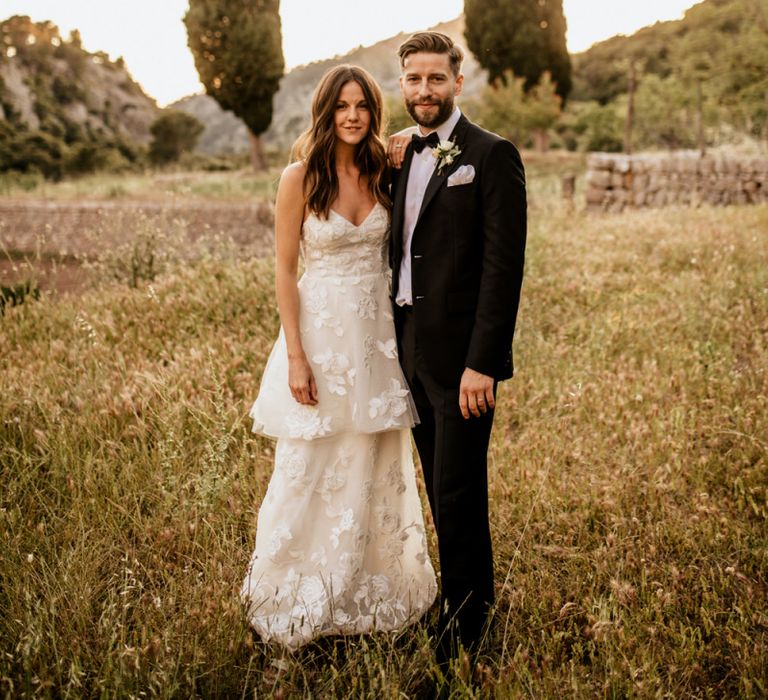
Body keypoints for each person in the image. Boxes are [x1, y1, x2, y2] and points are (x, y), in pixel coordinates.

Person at [240, 64, 437, 650]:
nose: (353, 116)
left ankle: (367, 587)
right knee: (312, 462)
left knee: (372, 458)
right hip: (322, 341)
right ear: (325, 112)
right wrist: (297, 357)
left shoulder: (384, 170)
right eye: (342, 106)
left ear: (375, 113)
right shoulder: (299, 178)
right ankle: (297, 590)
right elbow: (283, 269)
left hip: (376, 339)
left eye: (364, 107)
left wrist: (402, 143)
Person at [387, 32, 527, 659]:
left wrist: (482, 365)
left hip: (463, 362)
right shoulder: (400, 156)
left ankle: (472, 631)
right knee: (439, 488)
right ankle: (454, 604)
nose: (424, 91)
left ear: (457, 82)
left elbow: (503, 270)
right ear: (403, 83)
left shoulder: (491, 156)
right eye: (414, 79)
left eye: (435, 79)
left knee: (459, 492)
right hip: (409, 350)